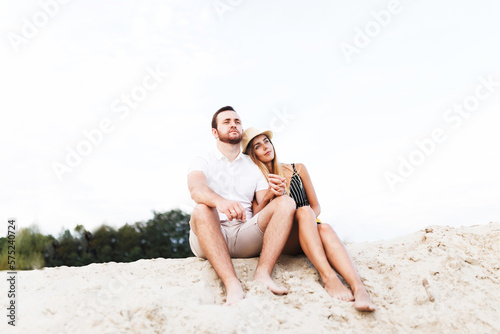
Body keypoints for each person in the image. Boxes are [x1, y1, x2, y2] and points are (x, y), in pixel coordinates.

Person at [241, 127, 376, 312]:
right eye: (257, 146)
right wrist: (268, 196)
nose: (265, 147)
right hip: (285, 237)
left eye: (266, 141)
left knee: (323, 226)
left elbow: (316, 206)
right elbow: (256, 217)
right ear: (252, 154)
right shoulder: (259, 179)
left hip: (309, 227)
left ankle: (359, 289)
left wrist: (309, 223)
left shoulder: (298, 169)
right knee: (304, 212)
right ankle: (328, 277)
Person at [187, 107, 296, 305]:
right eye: (226, 121)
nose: (233, 125)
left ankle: (263, 274)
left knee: (286, 202)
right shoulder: (202, 159)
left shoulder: (253, 165)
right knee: (202, 208)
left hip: (243, 234)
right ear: (215, 132)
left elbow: (260, 212)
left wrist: (271, 196)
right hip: (209, 235)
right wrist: (220, 202)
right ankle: (232, 284)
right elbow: (196, 190)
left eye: (237, 121)